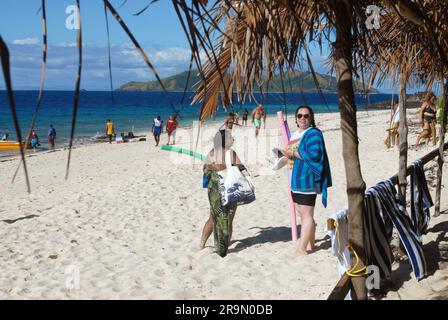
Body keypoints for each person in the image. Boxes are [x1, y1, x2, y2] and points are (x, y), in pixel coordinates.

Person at [282, 105, 332, 255]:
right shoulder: (296, 134)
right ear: (296, 119)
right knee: (302, 213)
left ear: (311, 118)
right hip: (295, 178)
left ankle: (302, 249)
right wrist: (283, 155)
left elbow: (315, 155)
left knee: (307, 214)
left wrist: (293, 152)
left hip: (307, 179)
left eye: (306, 116)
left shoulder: (314, 134)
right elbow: (292, 155)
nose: (303, 118)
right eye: (299, 116)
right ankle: (310, 244)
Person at [200, 129, 245, 257]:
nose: (233, 139)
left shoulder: (211, 153)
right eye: (231, 137)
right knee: (228, 220)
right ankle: (224, 249)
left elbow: (205, 172)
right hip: (228, 189)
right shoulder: (230, 153)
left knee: (213, 217)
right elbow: (240, 169)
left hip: (213, 190)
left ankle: (202, 244)